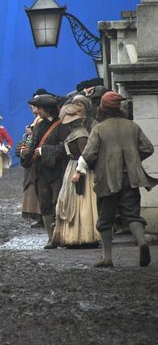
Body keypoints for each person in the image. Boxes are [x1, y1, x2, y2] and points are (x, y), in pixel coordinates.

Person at [76, 91, 158, 268]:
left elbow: (89, 154)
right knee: (132, 214)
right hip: (131, 178)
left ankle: (107, 258)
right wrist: (132, 159)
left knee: (105, 218)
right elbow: (148, 148)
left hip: (107, 179)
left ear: (102, 109)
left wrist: (83, 168)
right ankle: (142, 242)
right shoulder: (132, 126)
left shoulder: (99, 129)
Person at [20, 93, 71, 249]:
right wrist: (25, 153)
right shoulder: (40, 125)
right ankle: (51, 238)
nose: (37, 111)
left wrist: (44, 151)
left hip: (58, 171)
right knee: (45, 204)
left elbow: (65, 148)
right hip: (41, 171)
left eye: (39, 108)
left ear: (47, 109)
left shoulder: (63, 125)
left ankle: (62, 236)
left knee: (59, 203)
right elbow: (33, 145)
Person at [51, 103, 99, 248]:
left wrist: (78, 172)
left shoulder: (81, 134)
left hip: (81, 170)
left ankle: (85, 236)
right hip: (72, 167)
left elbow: (85, 155)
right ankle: (74, 236)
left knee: (82, 203)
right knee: (72, 202)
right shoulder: (75, 133)